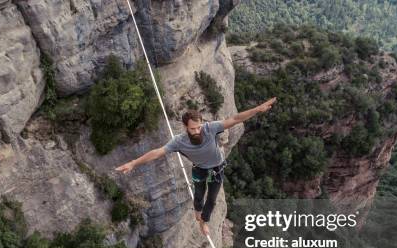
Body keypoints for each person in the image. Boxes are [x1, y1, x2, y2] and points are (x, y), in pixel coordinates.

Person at [115, 97, 277, 236]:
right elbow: (157, 152)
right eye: (193, 129)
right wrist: (133, 163)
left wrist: (257, 109)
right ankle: (197, 212)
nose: (197, 131)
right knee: (199, 196)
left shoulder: (209, 128)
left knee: (212, 200)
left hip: (217, 168)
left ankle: (203, 222)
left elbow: (235, 119)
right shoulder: (179, 141)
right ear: (186, 127)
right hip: (199, 169)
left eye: (199, 126)